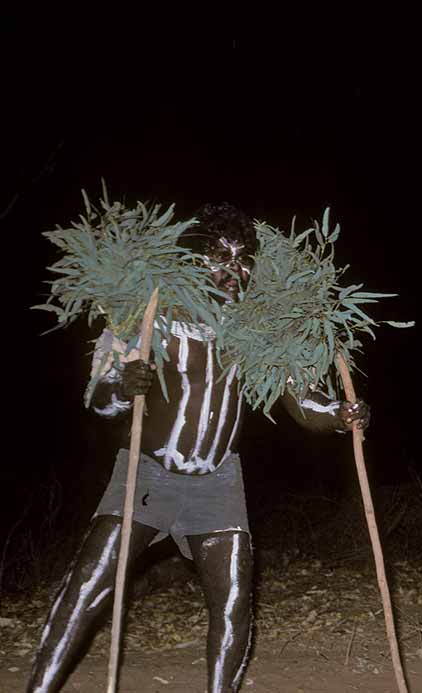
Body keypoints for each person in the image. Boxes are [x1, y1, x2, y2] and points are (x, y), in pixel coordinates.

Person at [28, 203, 370, 693]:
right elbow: (100, 400)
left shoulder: (260, 331)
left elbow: (304, 404)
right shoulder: (150, 314)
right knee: (87, 587)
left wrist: (341, 416)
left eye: (243, 257)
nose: (233, 269)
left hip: (218, 483)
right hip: (147, 476)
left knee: (233, 601)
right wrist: (125, 386)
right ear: (192, 260)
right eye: (219, 255)